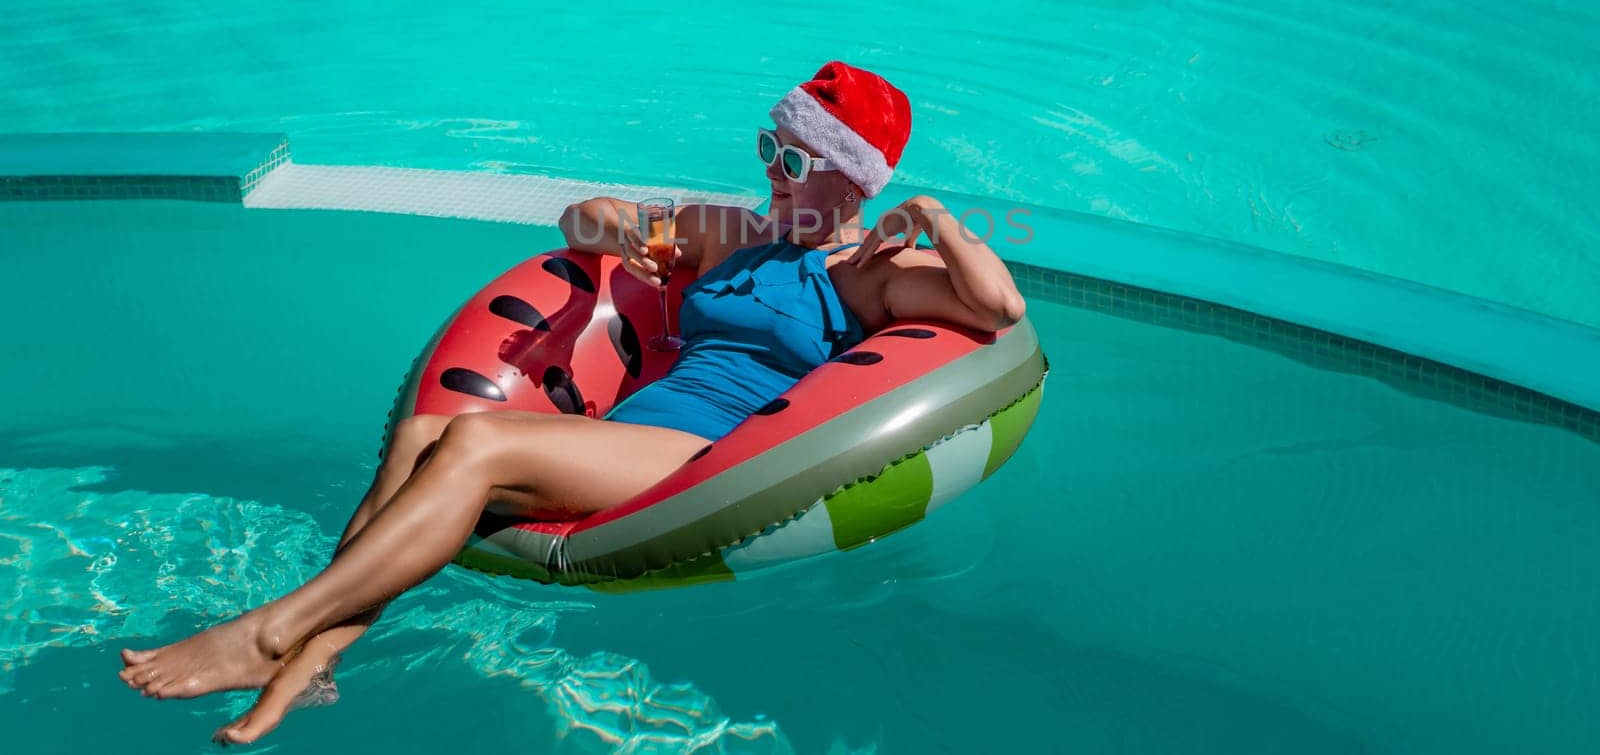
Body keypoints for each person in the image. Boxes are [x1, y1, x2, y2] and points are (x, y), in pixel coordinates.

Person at [116, 60, 1025, 745]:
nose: (775, 169)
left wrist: (938, 220)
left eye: (797, 157)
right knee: (427, 429)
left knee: (472, 448)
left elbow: (1000, 308)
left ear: (853, 179)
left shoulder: (870, 276)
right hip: (628, 431)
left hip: (701, 456)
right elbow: (578, 225)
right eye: (770, 148)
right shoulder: (726, 233)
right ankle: (313, 657)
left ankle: (271, 627)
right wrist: (612, 219)